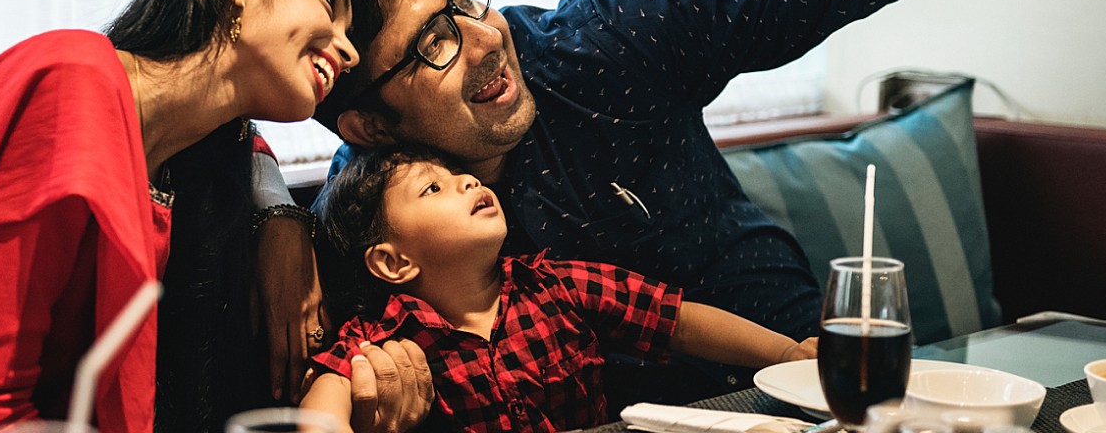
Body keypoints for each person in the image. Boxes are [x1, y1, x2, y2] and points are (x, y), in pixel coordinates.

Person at [312, 0, 1095, 405]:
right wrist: (275, 226)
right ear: (371, 126)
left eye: (467, 1)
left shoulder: (604, 46)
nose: (488, 40)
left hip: (807, 379)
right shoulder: (368, 222)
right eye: (436, 44)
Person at [0, 0, 425, 433]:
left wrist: (282, 216)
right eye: (329, 1)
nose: (347, 51)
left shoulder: (181, 166)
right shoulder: (73, 85)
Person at [299, 147, 818, 431]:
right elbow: (327, 393)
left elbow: (677, 320)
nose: (468, 183)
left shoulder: (557, 284)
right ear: (393, 262)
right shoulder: (386, 337)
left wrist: (789, 353)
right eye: (433, 188)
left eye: (461, 176)